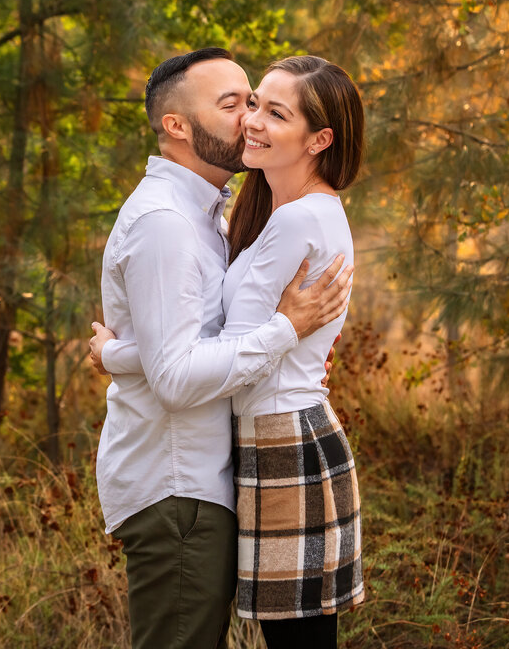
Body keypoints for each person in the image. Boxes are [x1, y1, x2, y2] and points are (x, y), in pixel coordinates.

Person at [95, 55, 366, 648]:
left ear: (318, 139)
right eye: (239, 104)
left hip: (269, 444)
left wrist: (124, 355)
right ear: (177, 126)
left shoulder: (272, 219)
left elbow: (198, 354)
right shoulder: (183, 220)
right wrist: (133, 354)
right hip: (202, 470)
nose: (250, 119)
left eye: (267, 107)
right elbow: (190, 359)